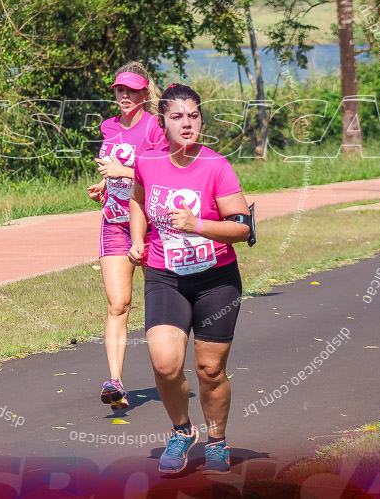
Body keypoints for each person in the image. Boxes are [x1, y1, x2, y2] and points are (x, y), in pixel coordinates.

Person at [127, 83, 252, 474]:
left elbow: (243, 228)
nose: (187, 123)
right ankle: (183, 432)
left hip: (216, 280)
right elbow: (136, 199)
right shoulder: (147, 162)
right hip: (165, 277)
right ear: (162, 121)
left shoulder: (216, 165)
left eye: (193, 115)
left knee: (209, 371)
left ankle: (217, 440)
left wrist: (199, 224)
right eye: (177, 116)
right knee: (165, 365)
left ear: (201, 118)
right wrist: (136, 240)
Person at [87, 62, 163, 410]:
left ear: (144, 94)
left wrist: (124, 171)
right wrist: (105, 183)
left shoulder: (154, 128)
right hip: (114, 221)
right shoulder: (108, 126)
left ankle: (167, 370)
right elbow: (113, 165)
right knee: (118, 304)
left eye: (131, 90)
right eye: (119, 90)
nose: (123, 96)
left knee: (161, 304)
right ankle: (115, 382)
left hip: (153, 225)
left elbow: (163, 175)